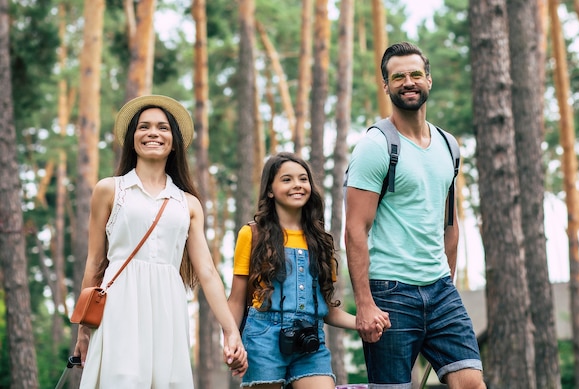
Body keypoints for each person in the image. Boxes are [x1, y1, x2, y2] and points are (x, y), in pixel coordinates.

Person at [72, 94, 247, 388]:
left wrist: (231, 331)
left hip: (168, 306)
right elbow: (95, 262)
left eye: (163, 128)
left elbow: (207, 272)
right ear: (132, 139)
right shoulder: (109, 190)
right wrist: (83, 331)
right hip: (119, 304)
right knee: (122, 379)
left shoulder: (188, 204)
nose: (153, 133)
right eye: (144, 127)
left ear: (174, 141)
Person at [344, 42, 485, 389]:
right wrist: (364, 302)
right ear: (386, 85)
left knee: (472, 383)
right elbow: (355, 229)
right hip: (390, 292)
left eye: (415, 74)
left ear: (429, 80)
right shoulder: (375, 146)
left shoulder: (449, 145)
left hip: (440, 291)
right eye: (398, 77)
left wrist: (448, 284)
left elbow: (449, 223)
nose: (408, 82)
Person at [228, 152, 382, 388]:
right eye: (286, 179)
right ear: (270, 190)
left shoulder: (322, 242)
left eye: (303, 179)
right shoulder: (252, 234)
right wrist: (231, 338)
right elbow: (237, 300)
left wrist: (363, 322)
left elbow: (326, 310)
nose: (297, 185)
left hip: (311, 340)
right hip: (262, 340)